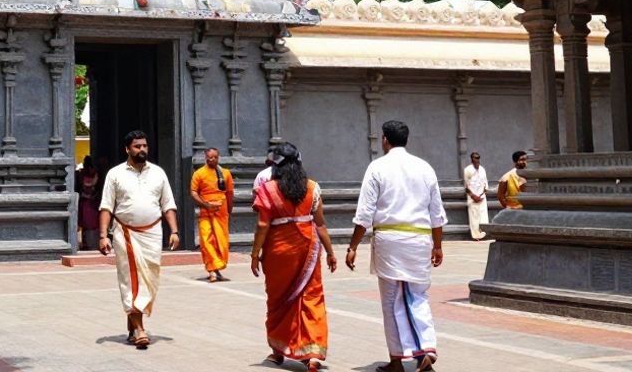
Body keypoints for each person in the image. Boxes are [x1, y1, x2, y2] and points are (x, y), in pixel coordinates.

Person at [346, 121, 447, 372]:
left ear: (384, 140)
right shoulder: (425, 168)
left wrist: (352, 246)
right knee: (418, 295)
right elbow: (437, 213)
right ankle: (427, 348)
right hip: (420, 239)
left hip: (390, 240)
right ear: (407, 140)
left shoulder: (377, 167)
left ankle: (398, 360)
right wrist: (437, 246)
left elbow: (365, 214)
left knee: (392, 300)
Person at [250, 142, 336, 372]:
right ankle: (314, 353)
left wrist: (254, 252)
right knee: (311, 297)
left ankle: (279, 351)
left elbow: (262, 224)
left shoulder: (267, 189)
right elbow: (321, 224)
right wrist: (330, 252)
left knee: (279, 300)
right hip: (308, 247)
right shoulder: (312, 187)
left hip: (278, 251)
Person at [99, 130, 180, 348]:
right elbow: (106, 206)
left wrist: (174, 231)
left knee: (149, 279)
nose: (142, 149)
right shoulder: (115, 174)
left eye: (144, 146)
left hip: (153, 233)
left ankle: (131, 322)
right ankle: (139, 328)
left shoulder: (158, 173)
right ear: (127, 149)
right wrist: (102, 235)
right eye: (137, 146)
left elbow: (168, 204)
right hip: (125, 233)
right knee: (130, 279)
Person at [189, 147, 234, 282]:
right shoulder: (199, 174)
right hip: (205, 211)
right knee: (206, 239)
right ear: (205, 157)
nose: (212, 159)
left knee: (220, 241)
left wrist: (229, 209)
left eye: (214, 157)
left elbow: (230, 193)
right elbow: (193, 192)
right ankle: (212, 270)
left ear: (218, 157)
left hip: (221, 211)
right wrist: (206, 204)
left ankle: (216, 270)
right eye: (209, 157)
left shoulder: (225, 173)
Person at [75, 155, 100, 249]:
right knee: (88, 225)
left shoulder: (83, 174)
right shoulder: (90, 174)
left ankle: (89, 245)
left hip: (88, 204)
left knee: (89, 225)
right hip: (89, 203)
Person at [463, 152, 488, 241]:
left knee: (483, 217)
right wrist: (473, 196)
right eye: (475, 159)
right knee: (474, 218)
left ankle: (483, 235)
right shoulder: (467, 170)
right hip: (472, 198)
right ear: (472, 160)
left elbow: (485, 184)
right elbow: (466, 186)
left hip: (482, 197)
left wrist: (482, 195)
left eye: (478, 159)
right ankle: (475, 236)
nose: (477, 161)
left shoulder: (482, 170)